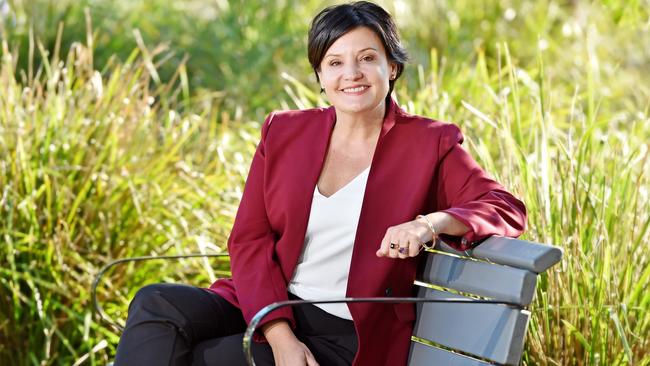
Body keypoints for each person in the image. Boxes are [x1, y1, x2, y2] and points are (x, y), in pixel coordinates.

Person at [113, 2, 527, 366]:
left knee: (208, 358)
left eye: (367, 58)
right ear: (320, 74)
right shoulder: (285, 132)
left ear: (392, 67)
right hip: (265, 302)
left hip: (346, 332)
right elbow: (249, 238)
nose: (352, 74)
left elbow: (505, 206)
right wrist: (279, 336)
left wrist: (429, 224)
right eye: (335, 62)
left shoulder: (427, 143)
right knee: (156, 305)